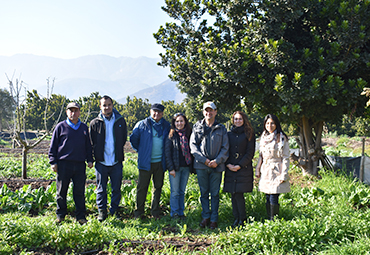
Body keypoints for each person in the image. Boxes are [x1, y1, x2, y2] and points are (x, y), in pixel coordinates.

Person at [49, 102, 93, 224]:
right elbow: (53, 146)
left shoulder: (84, 128)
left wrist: (90, 159)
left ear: (79, 112)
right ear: (67, 112)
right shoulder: (60, 127)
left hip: (79, 164)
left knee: (79, 192)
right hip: (64, 164)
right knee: (61, 191)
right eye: (71, 110)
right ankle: (61, 215)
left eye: (76, 110)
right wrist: (53, 161)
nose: (73, 113)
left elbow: (88, 146)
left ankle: (80, 216)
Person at [190, 101, 229, 230]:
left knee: (215, 193)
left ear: (215, 112)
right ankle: (205, 216)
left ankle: (214, 219)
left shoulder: (222, 128)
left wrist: (217, 161)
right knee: (203, 192)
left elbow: (225, 147)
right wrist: (204, 161)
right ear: (203, 112)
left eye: (211, 110)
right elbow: (193, 146)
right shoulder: (197, 127)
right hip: (201, 166)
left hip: (216, 167)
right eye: (206, 110)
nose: (209, 112)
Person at [90, 95, 127, 221]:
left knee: (116, 188)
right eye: (104, 105)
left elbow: (123, 139)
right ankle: (102, 211)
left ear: (112, 105)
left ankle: (114, 210)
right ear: (100, 107)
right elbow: (91, 142)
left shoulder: (120, 121)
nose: (107, 107)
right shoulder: (95, 123)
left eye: (109, 105)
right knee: (101, 188)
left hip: (116, 161)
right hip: (101, 161)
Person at [130, 103, 170, 219]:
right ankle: (139, 213)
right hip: (145, 162)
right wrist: (142, 151)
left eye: (159, 112)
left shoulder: (166, 126)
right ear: (150, 112)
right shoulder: (142, 124)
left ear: (162, 113)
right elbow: (134, 139)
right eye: (154, 111)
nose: (156, 114)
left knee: (158, 187)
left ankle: (155, 211)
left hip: (160, 162)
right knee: (142, 188)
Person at [223, 111, 256, 228]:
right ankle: (236, 218)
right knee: (233, 193)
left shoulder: (249, 133)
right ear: (233, 120)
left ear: (244, 120)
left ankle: (242, 219)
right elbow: (225, 150)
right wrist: (227, 164)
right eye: (236, 119)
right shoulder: (228, 134)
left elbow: (250, 152)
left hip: (243, 167)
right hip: (230, 166)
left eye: (240, 119)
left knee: (239, 194)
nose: (238, 121)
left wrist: (240, 165)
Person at [255, 114, 290, 220]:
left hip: (276, 169)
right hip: (265, 169)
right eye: (267, 123)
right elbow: (261, 155)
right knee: (267, 196)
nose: (270, 125)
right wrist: (257, 169)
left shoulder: (281, 137)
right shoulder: (263, 138)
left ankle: (274, 220)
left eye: (272, 123)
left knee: (274, 196)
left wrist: (284, 174)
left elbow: (286, 157)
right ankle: (269, 218)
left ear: (276, 124)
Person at [165, 112, 192, 219]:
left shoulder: (189, 134)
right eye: (177, 121)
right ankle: (174, 213)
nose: (179, 123)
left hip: (186, 167)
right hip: (175, 168)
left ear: (185, 122)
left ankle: (181, 212)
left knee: (182, 191)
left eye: (181, 121)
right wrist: (170, 168)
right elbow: (167, 153)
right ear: (174, 123)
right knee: (175, 192)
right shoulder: (171, 135)